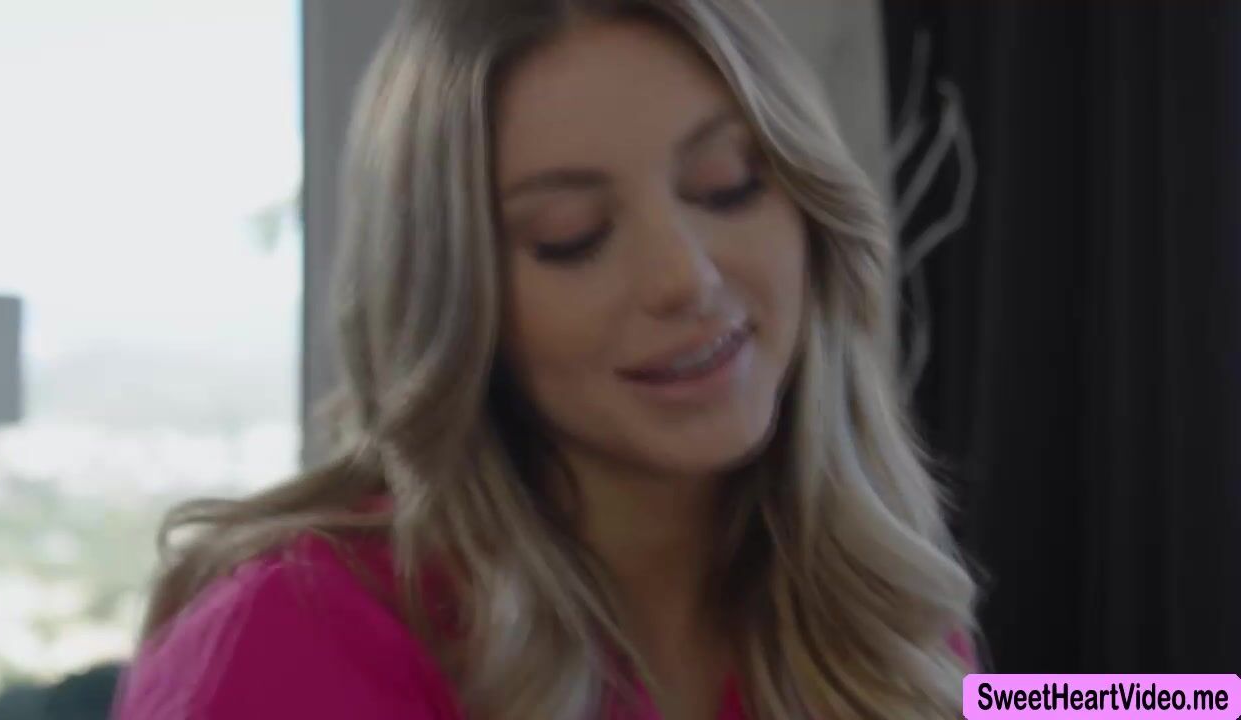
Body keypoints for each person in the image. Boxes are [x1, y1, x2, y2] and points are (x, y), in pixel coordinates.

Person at [111, 1, 978, 718]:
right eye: (573, 237)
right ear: (456, 304)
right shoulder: (290, 635)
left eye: (727, 186)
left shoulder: (867, 602)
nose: (686, 278)